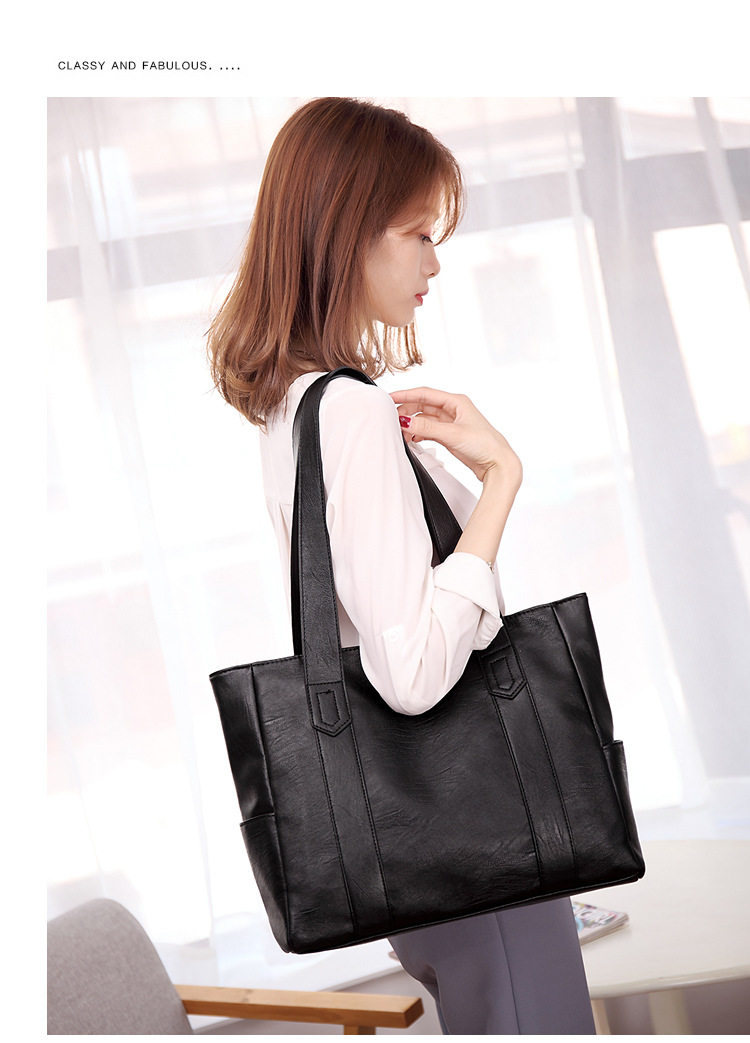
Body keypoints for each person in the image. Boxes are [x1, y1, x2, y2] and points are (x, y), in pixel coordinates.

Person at [207, 96, 595, 1035]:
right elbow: (412, 673)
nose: (434, 262)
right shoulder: (345, 412)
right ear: (346, 234)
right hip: (486, 859)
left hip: (435, 864)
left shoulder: (293, 405)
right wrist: (500, 478)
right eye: (418, 234)